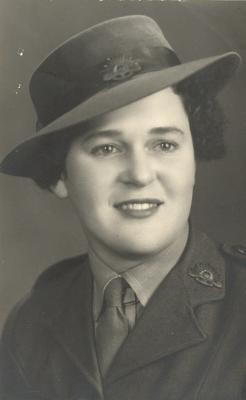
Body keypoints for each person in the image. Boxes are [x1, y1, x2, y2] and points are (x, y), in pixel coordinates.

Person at [0, 14, 245, 400]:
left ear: (194, 159)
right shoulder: (31, 322)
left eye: (164, 144)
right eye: (107, 148)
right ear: (58, 174)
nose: (140, 174)